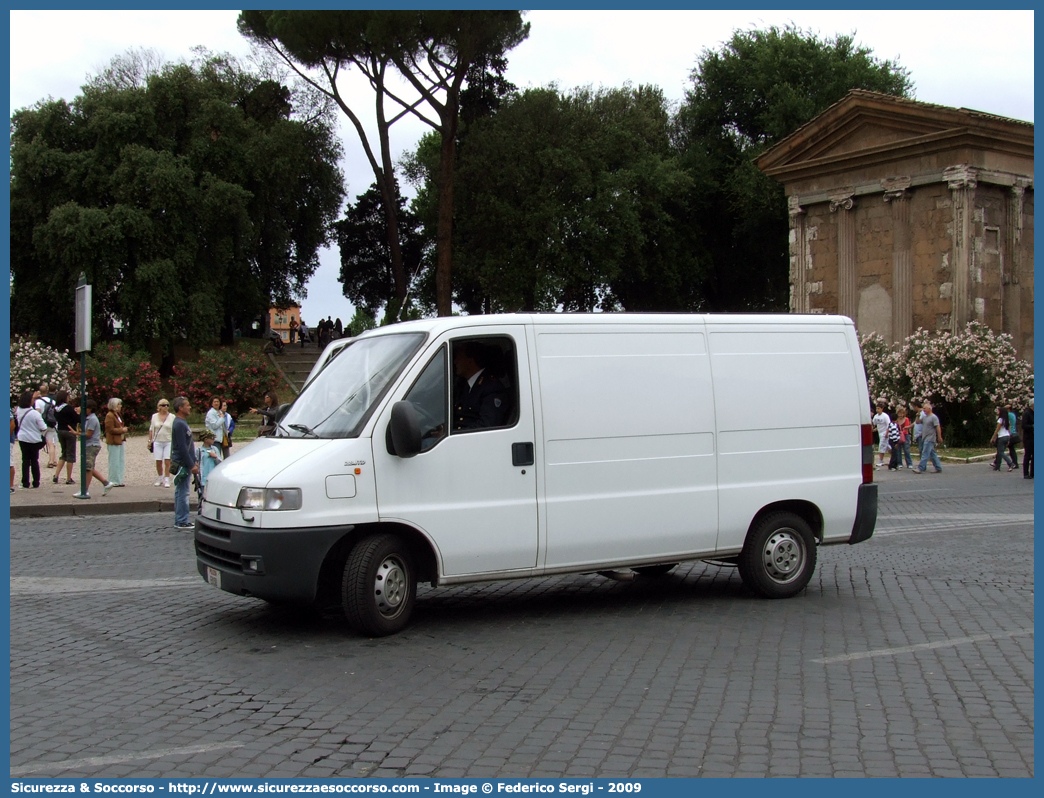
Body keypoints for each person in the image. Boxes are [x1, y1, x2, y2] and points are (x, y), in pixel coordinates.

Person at [452, 342, 508, 431]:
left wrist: (454, 434)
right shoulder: (462, 384)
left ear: (470, 361)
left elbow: (487, 425)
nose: (455, 362)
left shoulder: (492, 387)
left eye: (459, 358)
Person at [170, 396, 199, 530]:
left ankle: (180, 518)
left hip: (184, 462)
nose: (190, 407)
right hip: (183, 463)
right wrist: (191, 464)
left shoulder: (180, 422)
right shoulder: (180, 424)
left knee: (180, 491)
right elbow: (182, 447)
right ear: (180, 408)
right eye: (187, 405)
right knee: (183, 492)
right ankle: (182, 520)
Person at [81, 399, 115, 498]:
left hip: (91, 445)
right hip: (90, 444)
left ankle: (85, 490)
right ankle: (106, 483)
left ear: (90, 409)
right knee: (89, 467)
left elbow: (88, 434)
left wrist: (78, 433)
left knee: (87, 468)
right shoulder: (88, 418)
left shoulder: (92, 419)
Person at [15, 390, 47, 489]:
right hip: (34, 439)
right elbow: (43, 427)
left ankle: (25, 482)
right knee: (34, 461)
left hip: (23, 437)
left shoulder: (19, 411)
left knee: (25, 460)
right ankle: (36, 481)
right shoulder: (34, 413)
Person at [52, 390, 79, 485]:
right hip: (69, 431)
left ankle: (56, 475)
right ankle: (68, 478)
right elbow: (77, 419)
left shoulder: (56, 409)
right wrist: (78, 413)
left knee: (63, 453)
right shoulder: (68, 408)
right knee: (70, 455)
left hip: (60, 430)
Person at [148, 398, 175, 487]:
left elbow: (174, 430)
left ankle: (167, 478)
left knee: (167, 461)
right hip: (157, 441)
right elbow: (151, 429)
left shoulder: (172, 417)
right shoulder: (154, 416)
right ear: (159, 407)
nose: (166, 407)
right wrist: (150, 440)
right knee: (158, 460)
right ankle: (160, 477)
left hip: (168, 441)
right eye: (163, 405)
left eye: (167, 405)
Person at [104, 398, 129, 487]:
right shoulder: (109, 416)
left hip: (120, 440)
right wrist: (122, 430)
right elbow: (110, 429)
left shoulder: (117, 415)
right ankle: (113, 480)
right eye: (119, 404)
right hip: (113, 441)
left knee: (120, 460)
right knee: (114, 461)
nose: (120, 406)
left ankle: (119, 479)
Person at [914, 401, 943, 474]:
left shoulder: (933, 417)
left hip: (930, 438)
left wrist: (939, 436)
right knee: (932, 453)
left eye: (925, 408)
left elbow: (937, 427)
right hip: (925, 437)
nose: (923, 410)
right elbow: (917, 422)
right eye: (923, 408)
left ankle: (921, 468)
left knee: (925, 452)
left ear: (929, 409)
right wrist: (918, 415)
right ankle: (938, 467)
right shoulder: (925, 417)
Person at [35, 382, 58, 468]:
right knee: (50, 443)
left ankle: (33, 458)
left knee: (37, 441)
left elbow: (37, 413)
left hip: (41, 424)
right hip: (51, 423)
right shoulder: (53, 401)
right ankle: (52, 460)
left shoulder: (38, 401)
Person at [990, 407, 1015, 472]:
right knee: (999, 452)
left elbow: (997, 430)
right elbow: (1009, 430)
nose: (997, 412)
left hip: (1002, 437)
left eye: (998, 411)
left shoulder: (1000, 420)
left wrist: (993, 437)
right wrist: (1009, 438)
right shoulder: (1007, 420)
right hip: (1007, 436)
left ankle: (1010, 463)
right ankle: (997, 466)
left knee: (1001, 452)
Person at [871, 403, 891, 468]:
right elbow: (875, 424)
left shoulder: (885, 416)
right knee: (888, 447)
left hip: (885, 433)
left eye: (879, 408)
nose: (877, 410)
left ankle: (880, 460)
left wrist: (887, 433)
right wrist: (874, 429)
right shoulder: (876, 417)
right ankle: (894, 457)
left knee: (881, 446)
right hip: (880, 433)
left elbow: (888, 425)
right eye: (877, 408)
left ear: (882, 409)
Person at [1022, 398, 1034, 479]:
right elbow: (1024, 425)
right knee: (1028, 455)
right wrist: (1032, 426)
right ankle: (1026, 473)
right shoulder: (1027, 413)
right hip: (1028, 437)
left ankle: (1033, 472)